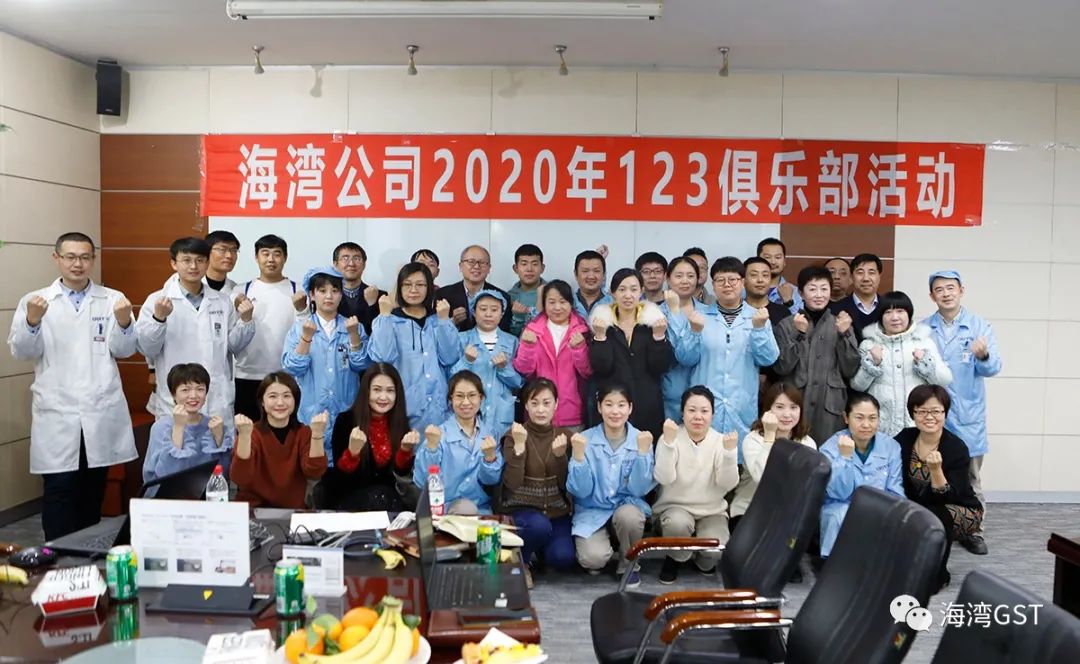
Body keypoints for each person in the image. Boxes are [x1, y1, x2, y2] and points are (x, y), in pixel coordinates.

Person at [7, 232, 137, 540]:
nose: (78, 264)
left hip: (98, 407)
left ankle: (86, 552)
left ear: (93, 259)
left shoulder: (112, 299)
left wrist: (123, 323)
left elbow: (125, 350)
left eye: (84, 257)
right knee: (60, 489)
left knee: (92, 490)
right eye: (70, 257)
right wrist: (32, 322)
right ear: (57, 258)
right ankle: (57, 555)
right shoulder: (36, 300)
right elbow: (22, 351)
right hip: (58, 411)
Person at [924, 269, 1001, 556]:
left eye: (950, 288)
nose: (945, 293)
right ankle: (937, 528)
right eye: (939, 289)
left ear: (961, 291)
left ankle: (973, 532)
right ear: (932, 296)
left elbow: (993, 368)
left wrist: (983, 355)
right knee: (931, 474)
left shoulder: (979, 326)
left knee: (970, 478)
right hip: (934, 416)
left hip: (968, 416)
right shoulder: (923, 328)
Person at [137, 237, 255, 420]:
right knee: (177, 437)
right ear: (174, 263)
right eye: (186, 260)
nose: (193, 266)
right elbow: (147, 349)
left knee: (218, 438)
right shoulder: (157, 301)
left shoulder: (222, 301)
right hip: (176, 398)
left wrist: (246, 321)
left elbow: (233, 346)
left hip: (216, 397)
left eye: (200, 260)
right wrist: (158, 319)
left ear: (207, 263)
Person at [678, 257, 779, 456]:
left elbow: (769, 359)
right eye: (720, 280)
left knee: (738, 463)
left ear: (742, 282)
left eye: (732, 279)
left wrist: (759, 330)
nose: (727, 285)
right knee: (703, 461)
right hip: (704, 409)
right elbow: (684, 359)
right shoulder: (699, 317)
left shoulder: (757, 317)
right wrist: (694, 332)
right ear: (713, 285)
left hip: (741, 407)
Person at [894, 385, 983, 592]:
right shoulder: (905, 438)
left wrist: (936, 471)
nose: (929, 417)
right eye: (922, 411)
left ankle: (938, 575)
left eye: (936, 411)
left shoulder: (956, 447)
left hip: (960, 508)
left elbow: (951, 495)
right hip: (921, 506)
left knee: (936, 516)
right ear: (913, 413)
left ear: (945, 413)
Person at [567, 384, 655, 588]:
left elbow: (640, 490)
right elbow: (580, 491)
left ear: (630, 408)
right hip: (593, 510)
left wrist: (643, 454)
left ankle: (628, 563)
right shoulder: (585, 439)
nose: (615, 411)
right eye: (609, 404)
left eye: (621, 405)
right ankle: (607, 543)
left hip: (625, 508)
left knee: (630, 517)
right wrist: (578, 458)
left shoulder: (641, 439)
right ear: (599, 407)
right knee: (592, 559)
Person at [653, 387, 739, 584]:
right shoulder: (671, 437)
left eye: (704, 411)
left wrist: (729, 454)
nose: (698, 416)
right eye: (691, 410)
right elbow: (664, 478)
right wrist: (668, 444)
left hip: (711, 511)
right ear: (682, 413)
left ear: (712, 414)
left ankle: (700, 560)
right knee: (677, 524)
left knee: (714, 551)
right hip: (675, 509)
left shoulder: (721, 441)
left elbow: (727, 484)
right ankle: (675, 558)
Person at [281, 267, 370, 459]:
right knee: (312, 466)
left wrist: (354, 336)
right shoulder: (299, 329)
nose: (329, 296)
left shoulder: (353, 326)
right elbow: (292, 368)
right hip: (310, 415)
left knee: (346, 465)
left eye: (335, 290)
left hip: (347, 414)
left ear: (341, 295)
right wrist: (306, 338)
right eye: (322, 291)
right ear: (312, 295)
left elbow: (362, 365)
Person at [500, 379, 575, 588]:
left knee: (563, 557)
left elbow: (568, 486)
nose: (540, 410)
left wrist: (561, 458)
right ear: (526, 405)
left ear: (556, 404)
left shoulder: (565, 436)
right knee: (539, 526)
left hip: (556, 513)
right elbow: (512, 484)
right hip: (523, 512)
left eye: (546, 403)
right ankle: (521, 561)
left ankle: (539, 548)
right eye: (534, 403)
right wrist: (519, 448)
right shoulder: (514, 434)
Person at [772, 266, 859, 443]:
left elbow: (850, 369)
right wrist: (799, 334)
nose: (819, 295)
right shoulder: (786, 325)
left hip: (830, 408)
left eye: (824, 289)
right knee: (792, 453)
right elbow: (781, 367)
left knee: (828, 455)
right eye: (812, 289)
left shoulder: (841, 324)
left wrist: (844, 334)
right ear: (801, 294)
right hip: (795, 404)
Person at [369, 262, 460, 432]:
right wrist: (384, 317)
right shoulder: (389, 320)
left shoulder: (437, 320)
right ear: (399, 287)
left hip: (438, 407)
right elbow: (383, 358)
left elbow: (450, 358)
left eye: (420, 285)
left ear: (429, 287)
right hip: (403, 406)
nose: (413, 290)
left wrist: (443, 321)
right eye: (407, 284)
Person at [852, 291, 952, 436]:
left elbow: (945, 380)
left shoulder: (924, 343)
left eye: (900, 311)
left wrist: (925, 364)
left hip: (916, 424)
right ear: (880, 316)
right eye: (888, 312)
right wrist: (873, 364)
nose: (895, 317)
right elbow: (857, 386)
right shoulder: (869, 345)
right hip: (882, 426)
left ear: (909, 314)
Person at [588, 269, 673, 439]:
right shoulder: (602, 323)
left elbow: (660, 367)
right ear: (612, 293)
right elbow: (601, 368)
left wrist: (658, 337)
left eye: (634, 289)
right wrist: (600, 337)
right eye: (622, 289)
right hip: (613, 404)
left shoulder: (653, 322)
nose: (628, 295)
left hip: (647, 403)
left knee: (646, 448)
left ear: (641, 291)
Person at [322, 363, 419, 511]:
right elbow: (340, 480)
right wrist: (352, 453)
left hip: (389, 503)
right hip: (352, 503)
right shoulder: (346, 421)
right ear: (366, 391)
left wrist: (405, 451)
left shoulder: (401, 423)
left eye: (390, 391)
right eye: (377, 390)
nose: (383, 397)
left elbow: (400, 479)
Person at [231, 234, 308, 420]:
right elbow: (232, 343)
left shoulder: (299, 290)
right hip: (247, 376)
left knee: (286, 431)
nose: (271, 259)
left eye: (277, 254)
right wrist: (244, 318)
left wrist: (303, 310)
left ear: (285, 257)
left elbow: (308, 332)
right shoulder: (240, 291)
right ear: (256, 257)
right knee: (247, 430)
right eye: (265, 253)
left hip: (288, 376)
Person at [818, 392, 903, 560]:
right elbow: (838, 493)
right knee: (838, 515)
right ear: (846, 418)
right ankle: (832, 565)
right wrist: (844, 457)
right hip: (841, 507)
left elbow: (895, 490)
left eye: (872, 418)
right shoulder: (830, 448)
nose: (866, 425)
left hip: (879, 507)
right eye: (859, 418)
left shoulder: (891, 447)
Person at [231, 373, 328, 509]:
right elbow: (240, 478)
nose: (280, 403)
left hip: (292, 511)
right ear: (262, 402)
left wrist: (317, 434)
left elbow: (315, 473)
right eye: (273, 396)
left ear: (295, 400)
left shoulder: (304, 432)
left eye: (287, 396)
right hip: (253, 510)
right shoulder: (250, 432)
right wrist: (244, 436)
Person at [413, 370, 503, 515]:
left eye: (472, 395)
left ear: (481, 398)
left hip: (482, 510)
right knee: (465, 508)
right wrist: (431, 448)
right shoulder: (439, 434)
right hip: (445, 511)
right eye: (459, 396)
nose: (466, 402)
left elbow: (491, 481)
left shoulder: (490, 434)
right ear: (451, 399)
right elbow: (421, 481)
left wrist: (490, 458)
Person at [734, 383, 818, 536]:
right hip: (750, 510)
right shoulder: (752, 439)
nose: (787, 414)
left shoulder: (807, 443)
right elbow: (762, 477)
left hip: (787, 514)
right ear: (768, 410)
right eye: (779, 407)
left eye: (793, 407)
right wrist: (769, 436)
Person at [513, 280, 592, 431]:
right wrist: (527, 347)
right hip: (539, 413)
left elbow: (588, 371)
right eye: (551, 302)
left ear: (571, 303)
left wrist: (579, 349)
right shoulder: (532, 330)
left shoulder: (582, 331)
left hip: (573, 414)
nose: (557, 307)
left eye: (562, 302)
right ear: (544, 304)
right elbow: (523, 371)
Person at [143, 363, 234, 484]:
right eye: (185, 390)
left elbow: (224, 475)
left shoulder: (214, 425)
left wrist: (219, 438)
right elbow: (165, 476)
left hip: (206, 492)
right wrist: (179, 427)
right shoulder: (161, 427)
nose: (193, 396)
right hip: (169, 493)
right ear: (173, 394)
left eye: (200, 389)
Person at [450, 290, 523, 439]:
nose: (488, 314)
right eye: (483, 309)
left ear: (502, 314)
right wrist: (466, 361)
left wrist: (504, 368)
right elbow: (451, 378)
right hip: (469, 412)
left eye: (494, 310)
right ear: (474, 312)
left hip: (501, 415)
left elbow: (518, 383)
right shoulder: (461, 339)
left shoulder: (512, 342)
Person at [659, 257, 708, 422]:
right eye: (679, 276)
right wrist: (674, 312)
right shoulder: (656, 313)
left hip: (704, 393)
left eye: (690, 276)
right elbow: (680, 352)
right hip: (670, 394)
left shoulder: (709, 312)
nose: (685, 281)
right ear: (668, 279)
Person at [434, 245, 512, 332]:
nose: (476, 266)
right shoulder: (443, 295)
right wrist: (453, 322)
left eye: (482, 262)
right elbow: (434, 331)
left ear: (489, 268)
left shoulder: (501, 297)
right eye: (471, 262)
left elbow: (504, 331)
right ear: (461, 266)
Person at [333, 242, 385, 335]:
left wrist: (372, 305)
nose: (351, 263)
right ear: (335, 264)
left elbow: (382, 334)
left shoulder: (381, 296)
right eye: (345, 258)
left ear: (364, 264)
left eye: (357, 258)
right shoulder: (327, 297)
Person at [829, 253, 882, 340]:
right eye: (860, 273)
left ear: (879, 276)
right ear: (851, 277)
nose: (866, 278)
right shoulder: (834, 310)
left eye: (871, 272)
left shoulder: (889, 308)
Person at [507, 244, 546, 337]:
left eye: (535, 264)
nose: (529, 269)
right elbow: (508, 336)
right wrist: (518, 318)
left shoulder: (553, 293)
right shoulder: (509, 297)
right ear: (516, 268)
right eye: (524, 264)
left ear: (542, 268)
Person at [757, 238, 802, 314]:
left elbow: (800, 320)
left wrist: (788, 302)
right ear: (757, 260)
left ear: (784, 262)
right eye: (767, 257)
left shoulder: (795, 292)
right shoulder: (745, 289)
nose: (773, 262)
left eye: (778, 257)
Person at [743, 257, 791, 326]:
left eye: (765, 275)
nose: (760, 280)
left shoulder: (783, 312)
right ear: (743, 280)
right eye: (754, 275)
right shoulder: (734, 312)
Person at [572, 249, 613, 319]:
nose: (591, 276)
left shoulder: (613, 304)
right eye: (585, 271)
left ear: (604, 274)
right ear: (576, 274)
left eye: (596, 271)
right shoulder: (567, 302)